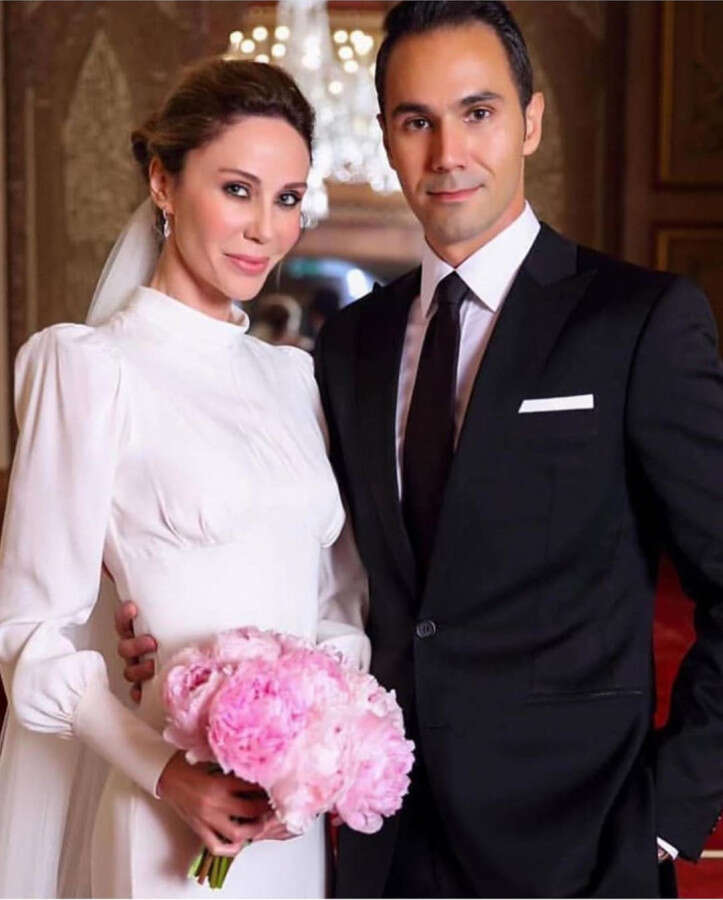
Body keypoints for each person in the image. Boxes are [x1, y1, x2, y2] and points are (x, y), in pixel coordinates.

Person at [117, 2, 723, 897]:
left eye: (477, 112)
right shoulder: (348, 347)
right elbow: (321, 562)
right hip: (381, 844)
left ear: (531, 121)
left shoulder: (638, 321)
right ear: (386, 139)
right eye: (415, 121)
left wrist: (666, 820)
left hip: (583, 851)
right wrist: (158, 630)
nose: (447, 152)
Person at [0, 57, 370, 898]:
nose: (265, 229)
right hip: (161, 810)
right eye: (237, 190)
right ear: (163, 183)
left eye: (287, 199)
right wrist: (167, 773)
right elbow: (31, 629)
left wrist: (319, 748)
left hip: (285, 823)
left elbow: (334, 604)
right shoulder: (89, 368)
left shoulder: (294, 382)